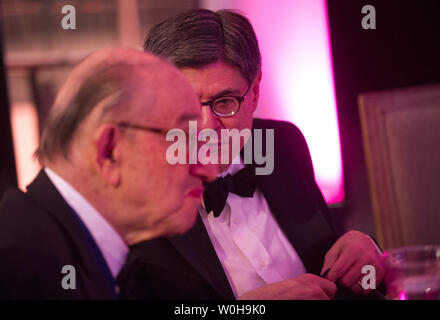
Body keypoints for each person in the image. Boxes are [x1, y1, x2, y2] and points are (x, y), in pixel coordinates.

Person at [116, 9, 386, 300]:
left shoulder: (282, 143)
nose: (207, 126)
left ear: (254, 92)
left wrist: (364, 251)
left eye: (225, 101)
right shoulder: (128, 199)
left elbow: (332, 261)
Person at [0, 48, 215, 299]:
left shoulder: (64, 249)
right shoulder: (17, 271)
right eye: (182, 141)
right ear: (109, 151)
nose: (208, 171)